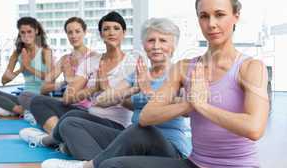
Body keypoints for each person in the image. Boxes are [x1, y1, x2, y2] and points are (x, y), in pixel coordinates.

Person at [84, 0, 270, 168]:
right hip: (195, 163)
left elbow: (254, 128)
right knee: (111, 165)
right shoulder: (184, 67)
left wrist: (201, 105)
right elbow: (146, 117)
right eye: (204, 16)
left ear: (236, 16)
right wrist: (189, 103)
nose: (211, 24)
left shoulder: (251, 67)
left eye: (219, 15)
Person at [41, 18, 192, 168]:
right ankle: (97, 159)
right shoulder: (138, 74)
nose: (156, 46)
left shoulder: (180, 73)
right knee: (70, 122)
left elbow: (187, 109)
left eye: (163, 41)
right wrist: (134, 89)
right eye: (151, 40)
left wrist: (149, 92)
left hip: (168, 147)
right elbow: (102, 101)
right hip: (133, 140)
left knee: (141, 129)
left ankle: (87, 163)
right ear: (144, 45)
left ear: (173, 45)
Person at [20, 11, 135, 149]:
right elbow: (68, 97)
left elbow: (135, 104)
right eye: (106, 29)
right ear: (101, 34)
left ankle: (52, 139)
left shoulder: (133, 63)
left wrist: (108, 90)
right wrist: (95, 88)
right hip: (88, 115)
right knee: (38, 101)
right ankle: (63, 140)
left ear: (124, 32)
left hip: (114, 124)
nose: (111, 32)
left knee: (70, 120)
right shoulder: (91, 62)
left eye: (116, 28)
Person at [0, 17, 52, 116]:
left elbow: (50, 79)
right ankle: (21, 111)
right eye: (23, 32)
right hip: (24, 98)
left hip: (42, 97)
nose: (26, 36)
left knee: (4, 110)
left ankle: (23, 111)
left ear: (37, 31)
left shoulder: (45, 51)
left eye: (29, 31)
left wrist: (28, 67)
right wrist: (20, 69)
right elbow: (4, 81)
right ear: (19, 34)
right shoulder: (17, 54)